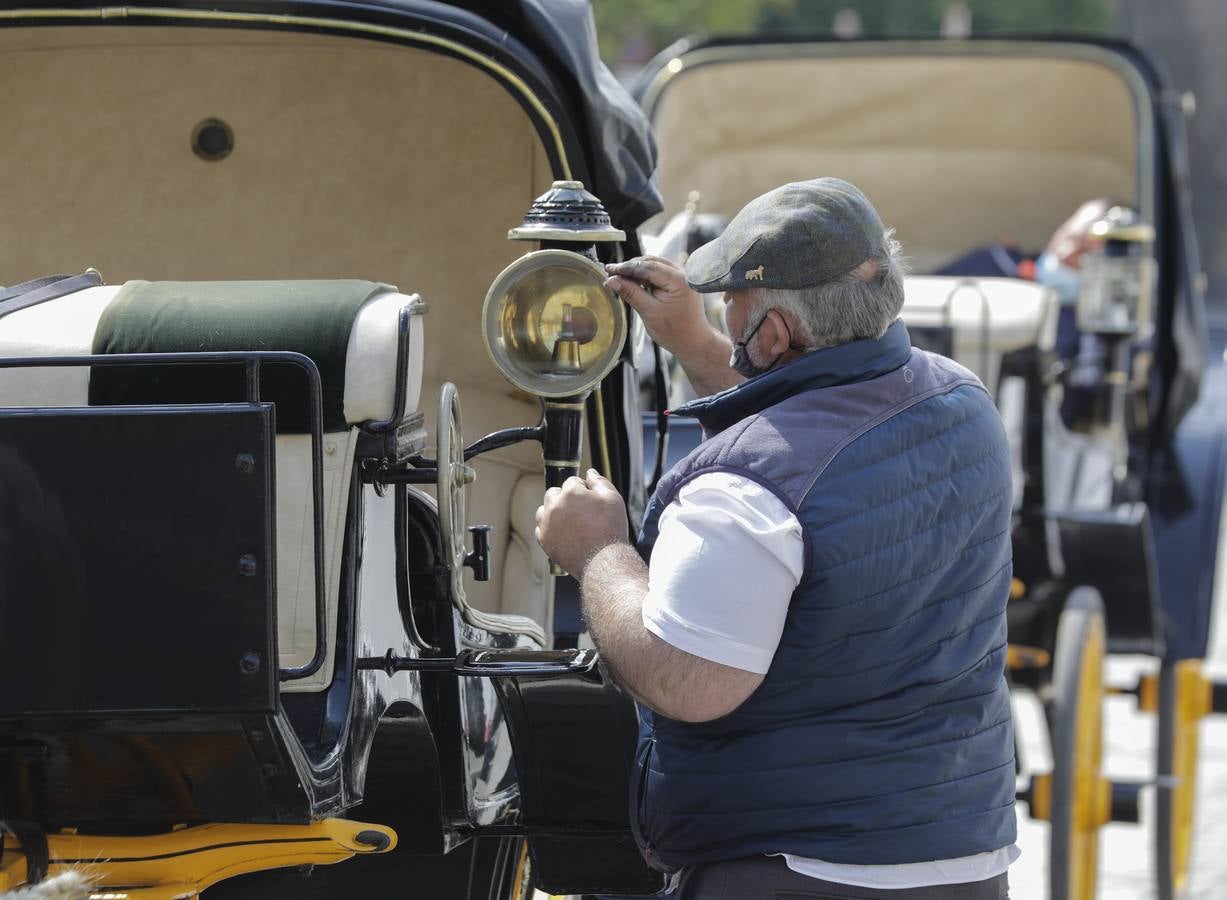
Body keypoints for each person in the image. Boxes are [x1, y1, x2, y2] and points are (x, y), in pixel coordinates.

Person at [535, 178, 1017, 899]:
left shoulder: (740, 489)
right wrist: (697, 343)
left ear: (775, 333)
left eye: (732, 303)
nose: (723, 314)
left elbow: (685, 680)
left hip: (795, 869)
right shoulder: (959, 399)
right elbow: (825, 417)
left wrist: (597, 550)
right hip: (962, 856)